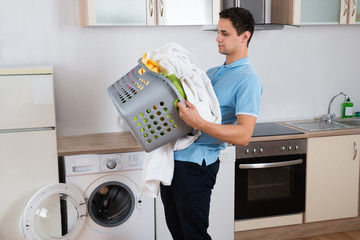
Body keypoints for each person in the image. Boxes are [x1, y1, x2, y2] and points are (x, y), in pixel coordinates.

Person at [160, 7, 262, 240]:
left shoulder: (248, 79)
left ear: (244, 36)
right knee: (178, 232)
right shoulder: (211, 73)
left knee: (194, 235)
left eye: (224, 33)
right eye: (218, 32)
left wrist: (200, 122)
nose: (217, 38)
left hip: (196, 167)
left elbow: (244, 135)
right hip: (174, 162)